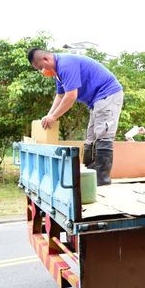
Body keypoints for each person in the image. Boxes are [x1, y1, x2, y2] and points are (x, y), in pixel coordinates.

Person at [27, 48, 124, 186]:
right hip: (96, 100)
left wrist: (53, 117)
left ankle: (102, 179)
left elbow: (71, 96)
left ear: (46, 59)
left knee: (103, 134)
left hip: (108, 94)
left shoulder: (66, 64)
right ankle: (90, 176)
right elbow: (60, 95)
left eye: (41, 67)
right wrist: (49, 115)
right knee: (91, 138)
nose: (42, 71)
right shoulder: (58, 73)